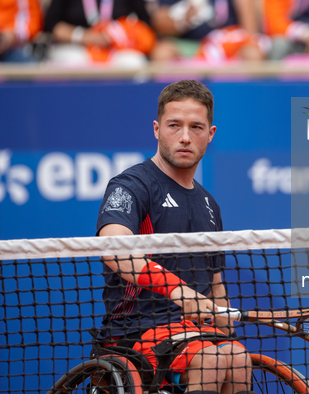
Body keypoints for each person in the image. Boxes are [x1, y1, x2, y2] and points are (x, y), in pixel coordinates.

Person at [96, 80, 252, 394]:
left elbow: (215, 281)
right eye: (174, 125)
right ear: (156, 129)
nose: (184, 137)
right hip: (135, 332)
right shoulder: (131, 185)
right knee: (210, 357)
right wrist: (181, 293)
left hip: (194, 332)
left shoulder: (210, 204)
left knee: (237, 356)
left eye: (196, 127)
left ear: (210, 134)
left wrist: (224, 325)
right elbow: (112, 248)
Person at [44, 0, 156, 66]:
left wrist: (118, 33)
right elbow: (51, 25)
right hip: (78, 46)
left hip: (115, 48)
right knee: (73, 61)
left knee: (134, 62)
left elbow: (145, 23)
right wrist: (84, 36)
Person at [149, 0, 266, 62]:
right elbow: (159, 25)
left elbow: (250, 34)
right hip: (191, 46)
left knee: (253, 53)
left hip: (229, 46)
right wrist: (182, 21)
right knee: (162, 53)